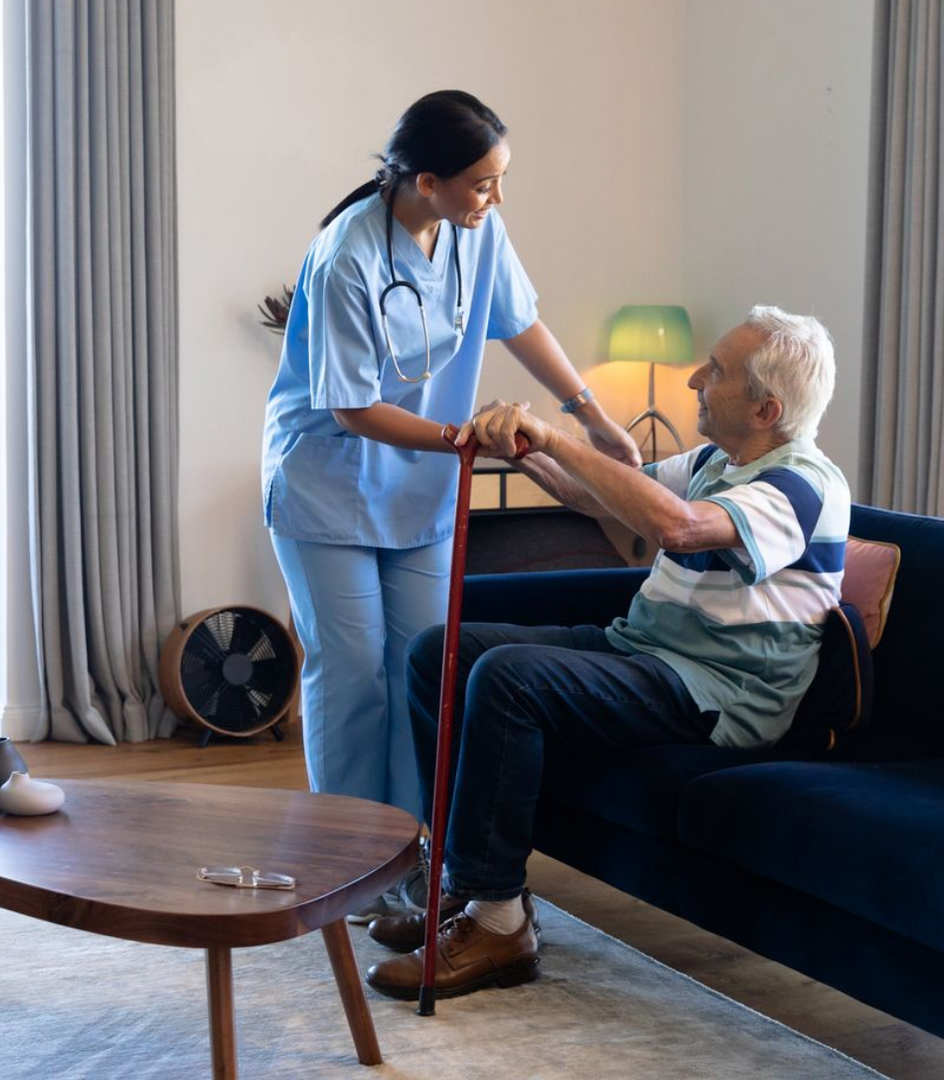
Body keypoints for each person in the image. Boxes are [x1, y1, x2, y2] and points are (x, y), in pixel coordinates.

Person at [362, 305, 848, 1000]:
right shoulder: (719, 461)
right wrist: (524, 451)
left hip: (719, 693)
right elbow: (607, 499)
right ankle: (460, 890)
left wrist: (558, 438)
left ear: (766, 408)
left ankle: (497, 921)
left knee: (510, 678)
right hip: (649, 655)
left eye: (716, 373)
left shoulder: (800, 485)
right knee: (440, 652)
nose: (695, 383)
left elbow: (676, 528)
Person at [261, 90, 639, 923]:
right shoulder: (346, 255)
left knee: (419, 671)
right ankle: (350, 866)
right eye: (480, 183)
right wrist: (470, 438)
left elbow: (520, 322)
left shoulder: (476, 229)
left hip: (423, 488)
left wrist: (592, 413)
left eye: (500, 181)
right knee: (352, 677)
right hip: (329, 485)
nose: (494, 198)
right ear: (425, 180)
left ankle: (410, 855)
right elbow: (354, 408)